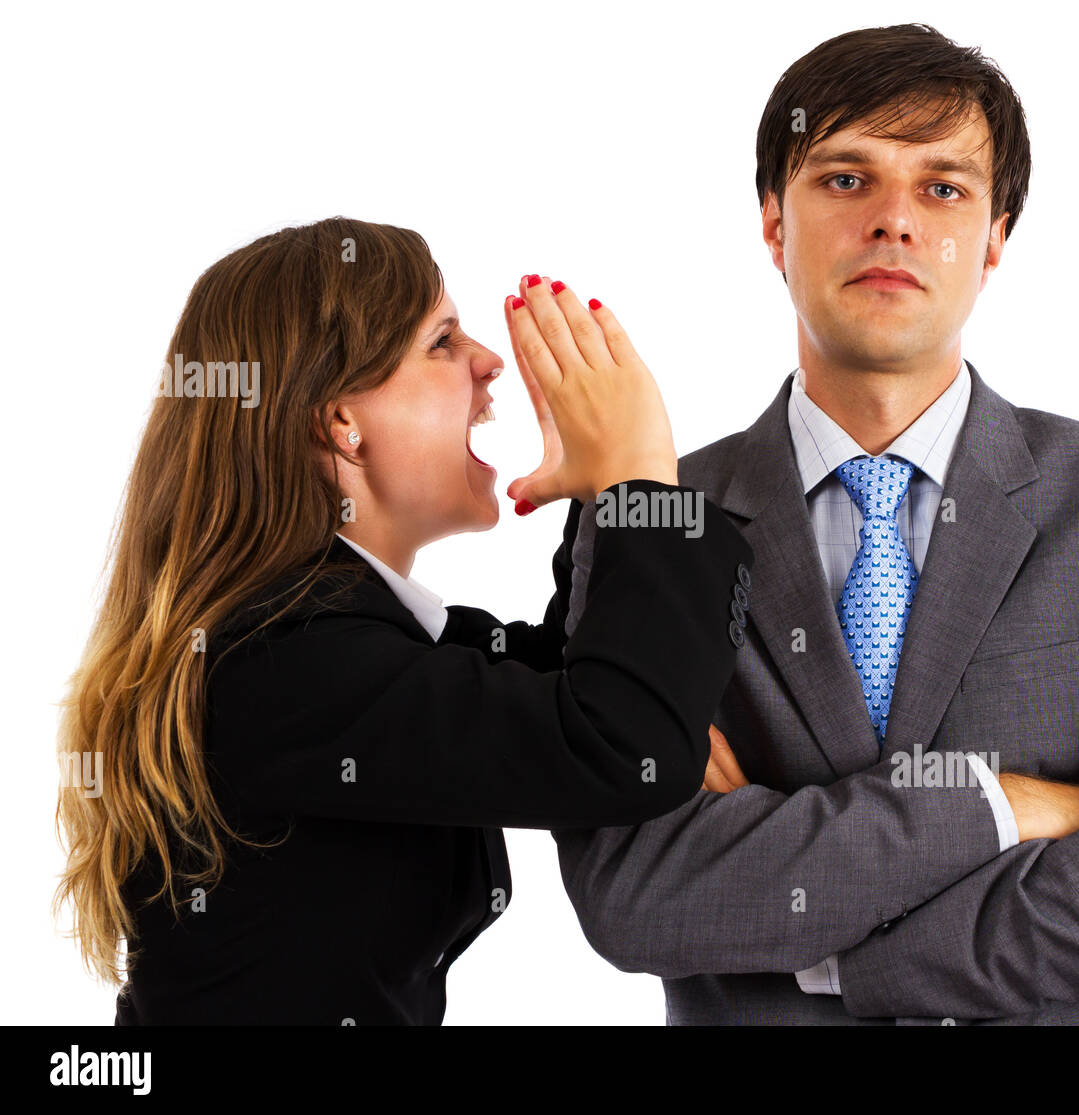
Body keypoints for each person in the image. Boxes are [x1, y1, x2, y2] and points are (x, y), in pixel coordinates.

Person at [553, 24, 1079, 1024]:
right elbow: (634, 894)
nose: (893, 221)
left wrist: (842, 953)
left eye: (941, 188)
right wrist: (1000, 805)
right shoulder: (657, 516)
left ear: (995, 237)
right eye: (846, 179)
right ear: (772, 223)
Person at [53, 217, 754, 1025]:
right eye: (443, 341)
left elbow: (571, 685)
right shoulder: (284, 660)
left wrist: (609, 501)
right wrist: (640, 481)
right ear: (341, 422)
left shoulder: (339, 634)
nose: (490, 361)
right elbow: (620, 743)